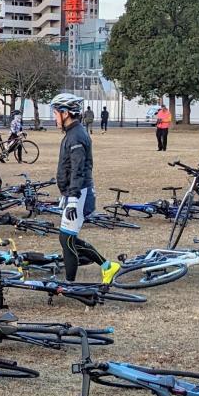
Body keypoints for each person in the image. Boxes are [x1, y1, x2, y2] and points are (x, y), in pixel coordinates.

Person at [46, 92, 119, 284]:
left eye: (55, 113)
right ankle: (107, 266)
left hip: (79, 194)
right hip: (75, 193)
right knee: (67, 239)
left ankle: (70, 283)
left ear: (65, 113)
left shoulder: (76, 136)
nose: (54, 118)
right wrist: (66, 194)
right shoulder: (73, 133)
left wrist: (72, 199)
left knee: (67, 240)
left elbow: (78, 169)